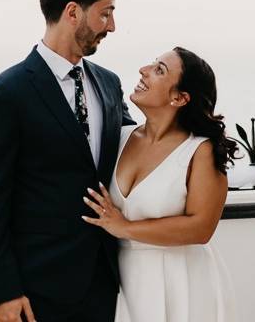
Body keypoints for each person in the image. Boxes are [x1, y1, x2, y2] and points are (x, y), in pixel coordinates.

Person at [0, 0, 135, 322]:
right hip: (34, 288)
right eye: (105, 13)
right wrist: (4, 291)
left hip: (103, 282)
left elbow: (135, 152)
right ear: (73, 11)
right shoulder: (6, 93)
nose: (113, 26)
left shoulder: (109, 84)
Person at [83, 47, 239, 322]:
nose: (144, 70)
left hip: (183, 280)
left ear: (179, 97)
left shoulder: (199, 150)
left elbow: (201, 228)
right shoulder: (118, 137)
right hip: (123, 282)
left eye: (159, 70)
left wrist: (125, 227)